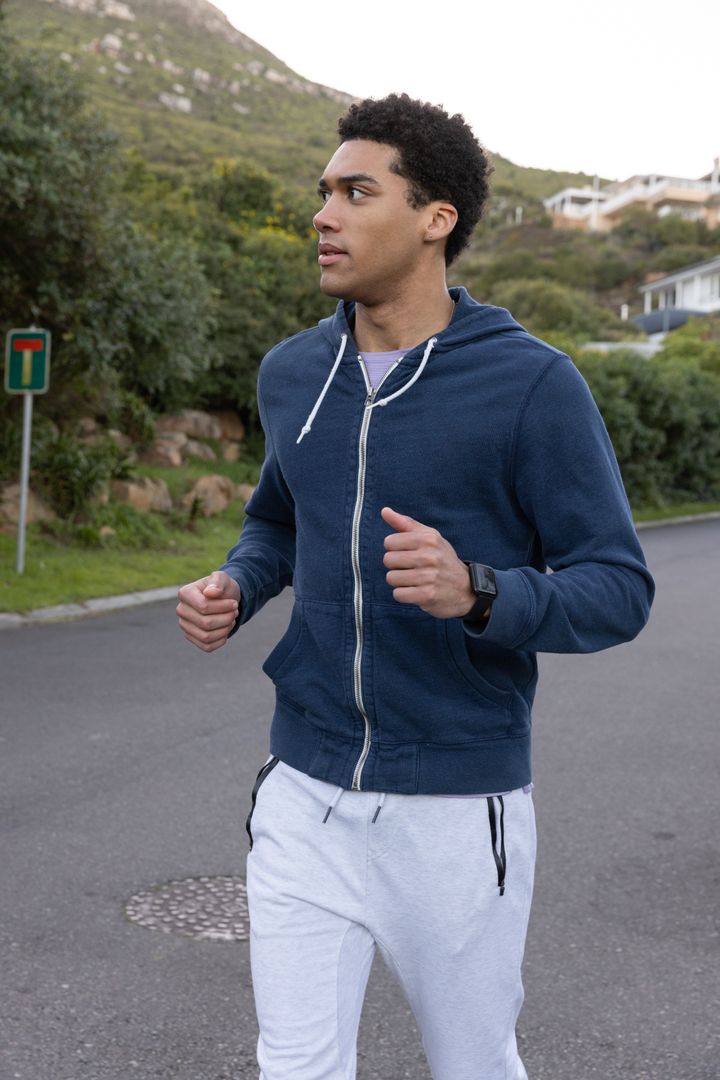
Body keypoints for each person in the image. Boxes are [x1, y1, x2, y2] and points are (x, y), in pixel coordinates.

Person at [176, 93, 655, 1080]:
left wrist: (480, 591)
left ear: (436, 219)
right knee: (295, 1068)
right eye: (324, 193)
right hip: (304, 794)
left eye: (358, 191)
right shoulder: (292, 371)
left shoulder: (531, 384)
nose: (325, 214)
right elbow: (279, 514)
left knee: (473, 1066)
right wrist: (237, 581)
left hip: (453, 806)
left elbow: (618, 588)